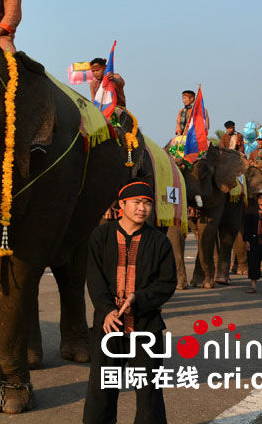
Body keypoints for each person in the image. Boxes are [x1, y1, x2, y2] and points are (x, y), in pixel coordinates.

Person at [84, 180, 177, 424]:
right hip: (109, 327)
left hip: (146, 326)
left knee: (149, 391)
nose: (142, 208)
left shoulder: (159, 241)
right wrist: (106, 311)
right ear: (122, 205)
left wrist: (139, 297)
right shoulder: (101, 235)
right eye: (137, 202)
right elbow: (95, 278)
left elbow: (167, 282)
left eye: (147, 204)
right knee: (102, 388)